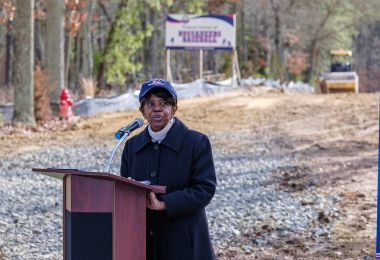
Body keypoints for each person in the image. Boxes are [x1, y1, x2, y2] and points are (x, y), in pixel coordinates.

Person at [120, 78, 217, 260]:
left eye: (163, 103)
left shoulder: (196, 142)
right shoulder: (131, 146)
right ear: (142, 111)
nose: (157, 108)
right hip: (144, 241)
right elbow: (125, 187)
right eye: (150, 104)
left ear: (174, 109)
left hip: (184, 241)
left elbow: (205, 189)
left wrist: (164, 203)